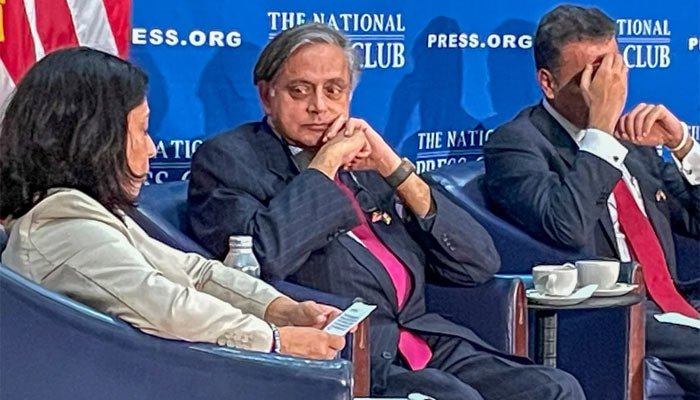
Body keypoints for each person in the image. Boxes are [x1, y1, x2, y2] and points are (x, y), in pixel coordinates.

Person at [187, 23, 584, 400]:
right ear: (266, 95)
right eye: (300, 91)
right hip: (344, 354)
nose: (318, 107)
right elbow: (259, 258)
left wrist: (394, 169)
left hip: (423, 340)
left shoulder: (368, 165)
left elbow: (478, 264)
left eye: (333, 90)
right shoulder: (229, 160)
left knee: (555, 389)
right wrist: (324, 167)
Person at [0, 47, 347, 361]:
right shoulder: (65, 226)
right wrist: (276, 340)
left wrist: (280, 309)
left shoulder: (84, 211)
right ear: (95, 140)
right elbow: (169, 308)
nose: (152, 148)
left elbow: (195, 272)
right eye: (142, 130)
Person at [483, 5, 699, 397]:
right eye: (592, 77)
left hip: (676, 299)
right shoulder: (517, 144)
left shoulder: (633, 140)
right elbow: (566, 226)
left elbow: (694, 222)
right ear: (548, 83)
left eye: (612, 70)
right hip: (615, 311)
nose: (608, 88)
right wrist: (600, 131)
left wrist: (682, 145)